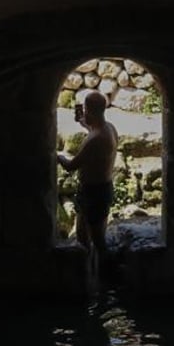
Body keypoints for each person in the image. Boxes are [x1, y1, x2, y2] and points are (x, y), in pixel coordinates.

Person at [56, 91, 119, 284]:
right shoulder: (109, 128)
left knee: (98, 241)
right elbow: (93, 127)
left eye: (84, 108)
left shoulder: (95, 139)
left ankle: (109, 279)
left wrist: (56, 155)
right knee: (84, 236)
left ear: (88, 109)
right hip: (99, 189)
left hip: (94, 193)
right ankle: (91, 276)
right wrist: (83, 122)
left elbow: (71, 166)